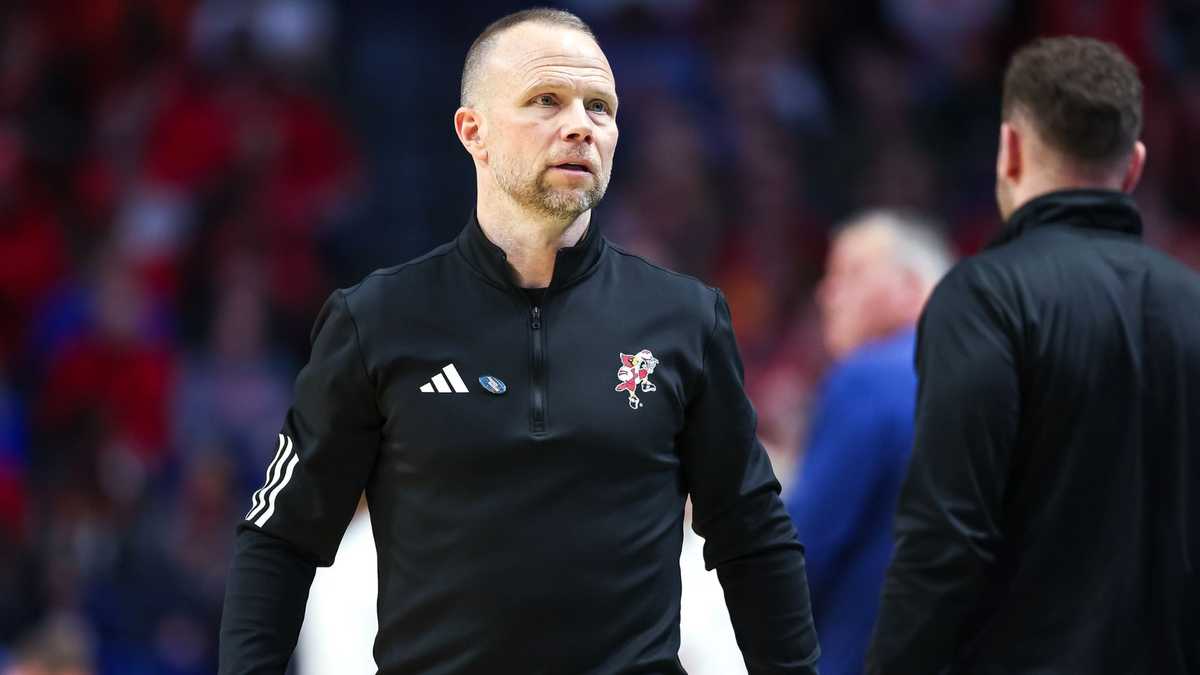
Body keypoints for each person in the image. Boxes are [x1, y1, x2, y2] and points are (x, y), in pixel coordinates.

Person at [218, 8, 820, 674]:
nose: (580, 125)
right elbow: (280, 535)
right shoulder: (377, 319)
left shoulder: (686, 319)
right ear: (473, 131)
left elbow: (753, 536)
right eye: (546, 100)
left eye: (600, 106)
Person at [866, 36, 1200, 674]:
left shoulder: (983, 299)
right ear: (1132, 166)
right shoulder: (1194, 304)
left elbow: (945, 536)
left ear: (1010, 150)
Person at [786, 211, 952, 675]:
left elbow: (799, 555)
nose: (826, 293)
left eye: (851, 274)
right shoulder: (1002, 374)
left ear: (912, 287)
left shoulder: (869, 378)